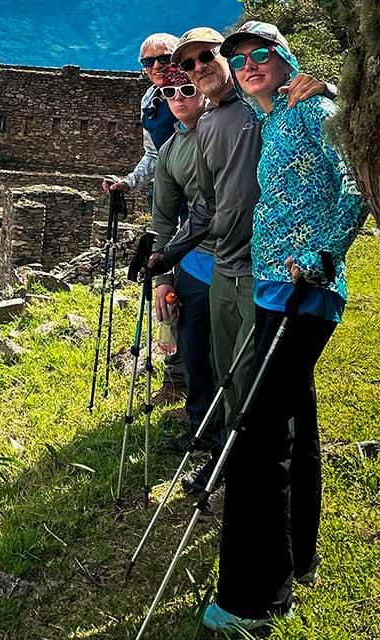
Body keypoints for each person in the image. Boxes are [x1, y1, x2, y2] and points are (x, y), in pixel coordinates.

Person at [200, 22, 368, 632]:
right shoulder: (273, 118)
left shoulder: (313, 109)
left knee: (259, 436)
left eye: (260, 54)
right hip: (274, 290)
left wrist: (324, 255)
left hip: (305, 289)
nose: (248, 64)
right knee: (293, 421)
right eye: (238, 57)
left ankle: (253, 599)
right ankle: (299, 559)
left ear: (283, 57)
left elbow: (357, 183)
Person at [145, 27, 335, 496]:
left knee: (265, 389)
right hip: (224, 269)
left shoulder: (262, 107)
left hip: (268, 270)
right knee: (228, 375)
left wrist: (325, 84)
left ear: (223, 59)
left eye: (205, 57)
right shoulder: (209, 123)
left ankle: (264, 485)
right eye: (186, 65)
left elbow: (317, 115)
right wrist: (166, 256)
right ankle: (231, 469)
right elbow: (208, 205)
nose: (197, 69)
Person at [101, 32, 188, 406]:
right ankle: (176, 376)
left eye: (164, 58)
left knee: (192, 290)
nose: (156, 67)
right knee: (164, 290)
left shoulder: (196, 91)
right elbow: (152, 156)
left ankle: (194, 376)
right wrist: (128, 181)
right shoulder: (151, 101)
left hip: (201, 204)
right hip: (166, 205)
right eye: (147, 62)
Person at [148, 67, 216, 452]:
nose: (177, 97)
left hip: (237, 259)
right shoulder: (170, 150)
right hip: (193, 262)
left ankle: (227, 434)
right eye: (169, 92)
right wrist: (163, 278)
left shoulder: (226, 125)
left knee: (224, 355)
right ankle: (200, 428)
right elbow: (163, 216)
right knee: (192, 349)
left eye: (186, 89)